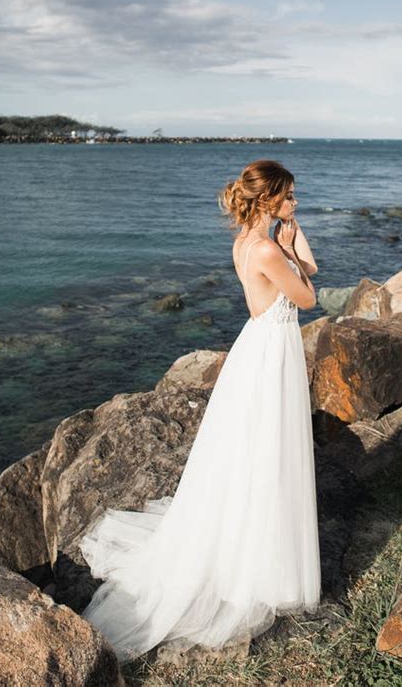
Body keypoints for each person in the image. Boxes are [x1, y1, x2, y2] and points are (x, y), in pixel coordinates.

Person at [78, 159, 321, 663]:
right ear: (269, 199)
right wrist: (290, 244)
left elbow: (308, 274)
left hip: (262, 346)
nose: (296, 202)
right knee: (265, 450)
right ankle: (254, 559)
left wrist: (294, 234)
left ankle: (258, 545)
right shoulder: (264, 249)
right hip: (270, 351)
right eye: (290, 196)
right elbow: (310, 295)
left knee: (255, 450)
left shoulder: (250, 243)